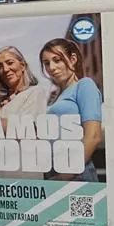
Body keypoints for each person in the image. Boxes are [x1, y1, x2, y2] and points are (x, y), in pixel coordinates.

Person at [41, 37, 103, 179]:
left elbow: (94, 136)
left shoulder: (85, 85)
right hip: (53, 172)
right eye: (46, 63)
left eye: (57, 60)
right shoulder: (54, 96)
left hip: (76, 174)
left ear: (73, 59)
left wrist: (65, 175)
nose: (52, 67)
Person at [0, 46, 46, 179]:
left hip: (21, 179)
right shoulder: (1, 101)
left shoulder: (35, 92)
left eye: (10, 63)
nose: (5, 69)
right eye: (0, 66)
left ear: (23, 65)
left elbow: (26, 130)